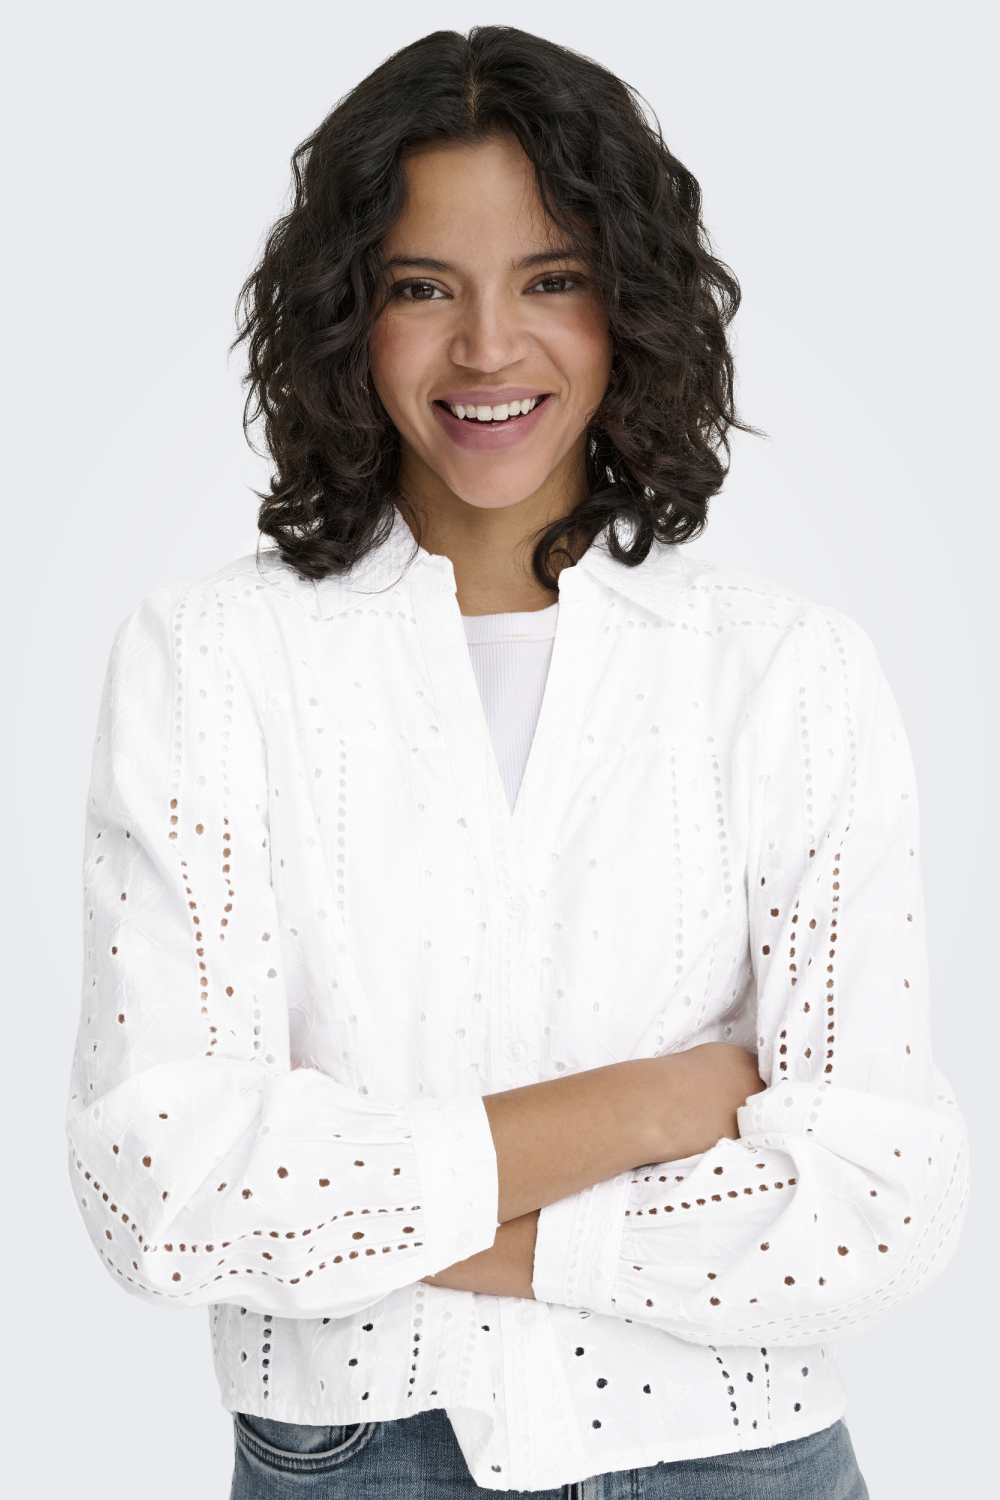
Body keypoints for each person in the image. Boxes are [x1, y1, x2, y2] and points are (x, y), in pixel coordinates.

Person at [67, 26, 968, 1500]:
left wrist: (409, 1223)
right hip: (358, 1461)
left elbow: (878, 1201)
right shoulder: (210, 661)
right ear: (349, 316)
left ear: (632, 307)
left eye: (551, 280)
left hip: (740, 1459)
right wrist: (655, 1106)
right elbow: (159, 1187)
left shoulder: (788, 673)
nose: (489, 349)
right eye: (423, 287)